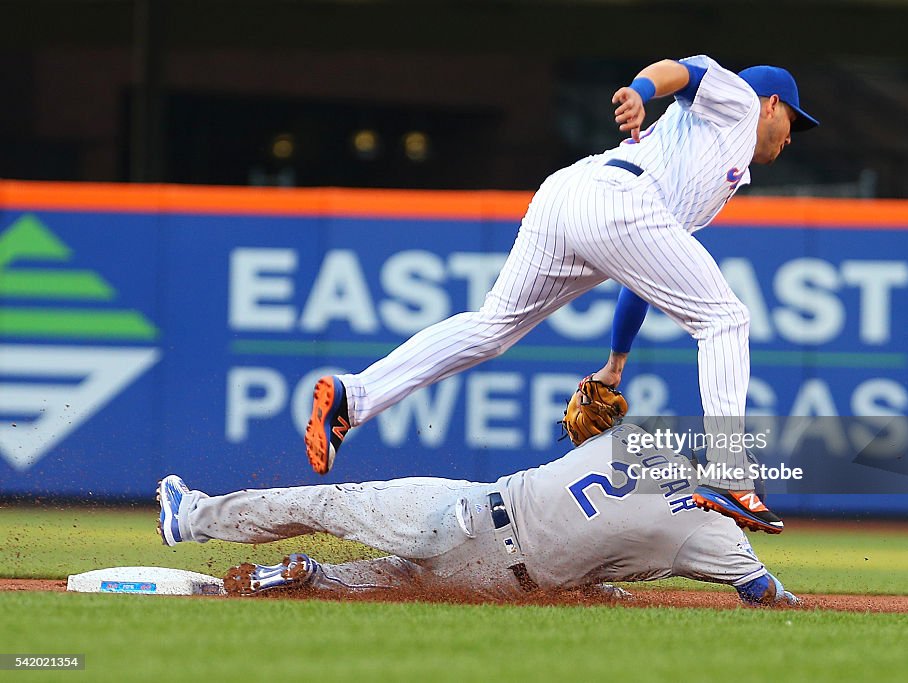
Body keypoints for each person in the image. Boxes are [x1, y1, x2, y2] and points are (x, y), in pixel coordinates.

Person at [304, 55, 819, 534]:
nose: (791, 137)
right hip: (616, 198)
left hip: (570, 196)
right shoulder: (740, 101)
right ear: (772, 103)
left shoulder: (711, 168)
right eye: (793, 121)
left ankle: (355, 395)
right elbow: (682, 71)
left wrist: (615, 365)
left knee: (491, 328)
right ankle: (730, 472)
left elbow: (643, 279)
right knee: (726, 319)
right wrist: (641, 91)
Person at [158, 423, 798, 606]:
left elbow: (590, 446)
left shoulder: (643, 442)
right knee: (400, 585)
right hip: (501, 581)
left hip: (468, 513)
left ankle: (192, 518)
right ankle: (312, 579)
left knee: (326, 504)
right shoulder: (710, 535)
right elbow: (764, 593)